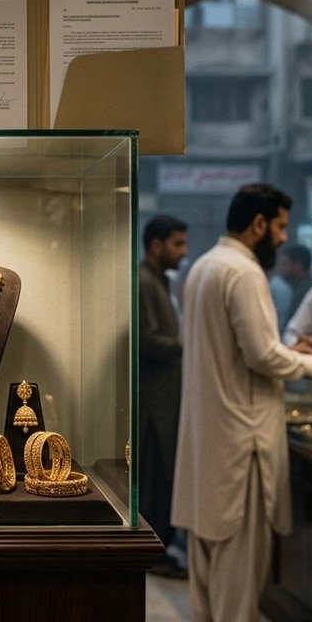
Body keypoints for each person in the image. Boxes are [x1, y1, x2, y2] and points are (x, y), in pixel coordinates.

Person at [171, 183, 312, 622]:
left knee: (208, 561)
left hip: (211, 435)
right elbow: (262, 355)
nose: (283, 238)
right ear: (259, 224)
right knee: (238, 573)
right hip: (240, 441)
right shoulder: (243, 272)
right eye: (280, 227)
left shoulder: (206, 265)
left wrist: (291, 352)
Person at [137, 214, 188, 579]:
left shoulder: (158, 281)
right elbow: (149, 341)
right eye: (178, 244)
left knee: (164, 474)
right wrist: (188, 345)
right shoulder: (143, 282)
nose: (183, 252)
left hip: (166, 399)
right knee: (155, 477)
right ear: (156, 245)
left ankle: (162, 548)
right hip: (154, 402)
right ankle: (153, 552)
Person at [273, 244, 312, 330]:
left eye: (284, 264)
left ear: (298, 265)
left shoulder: (307, 290)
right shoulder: (294, 286)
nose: (279, 268)